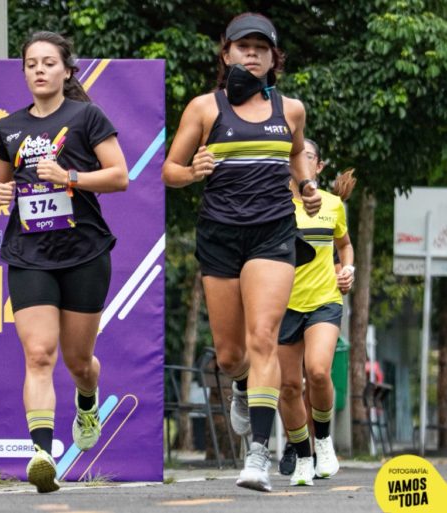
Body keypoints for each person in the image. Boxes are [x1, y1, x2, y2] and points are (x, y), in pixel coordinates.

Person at [162, 13, 321, 492]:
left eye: (261, 47)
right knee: (232, 355)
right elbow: (169, 168)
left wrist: (307, 184)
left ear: (275, 59)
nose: (252, 53)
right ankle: (239, 383)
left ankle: (259, 455)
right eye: (242, 46)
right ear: (226, 53)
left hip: (272, 234)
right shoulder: (204, 109)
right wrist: (192, 171)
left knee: (264, 337)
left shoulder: (290, 110)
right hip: (220, 234)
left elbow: (296, 153)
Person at [0, 31, 128, 493]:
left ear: (66, 71)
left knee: (78, 359)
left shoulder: (86, 116)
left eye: (49, 63)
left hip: (84, 251)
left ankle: (87, 397)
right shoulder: (9, 127)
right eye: (31, 64)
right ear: (25, 72)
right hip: (29, 253)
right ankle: (42, 453)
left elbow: (120, 176)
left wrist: (69, 175)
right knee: (38, 353)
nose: (40, 70)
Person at [276, 139, 355, 486]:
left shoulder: (334, 205)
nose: (301, 163)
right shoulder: (275, 206)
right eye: (295, 158)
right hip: (281, 305)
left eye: (307, 157)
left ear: (318, 168)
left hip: (324, 300)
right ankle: (303, 456)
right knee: (290, 387)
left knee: (319, 372)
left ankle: (323, 440)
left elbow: (345, 245)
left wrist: (347, 269)